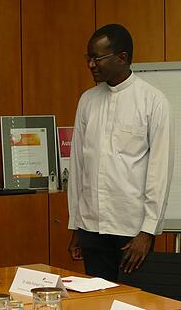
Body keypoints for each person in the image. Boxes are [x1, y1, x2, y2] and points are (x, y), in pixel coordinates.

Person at [67, 23, 174, 281]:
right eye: (88, 58)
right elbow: (78, 166)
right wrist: (76, 227)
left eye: (97, 58)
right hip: (91, 228)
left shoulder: (153, 101)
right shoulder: (87, 100)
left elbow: (160, 172)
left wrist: (147, 233)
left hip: (133, 233)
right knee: (97, 308)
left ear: (122, 58)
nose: (91, 65)